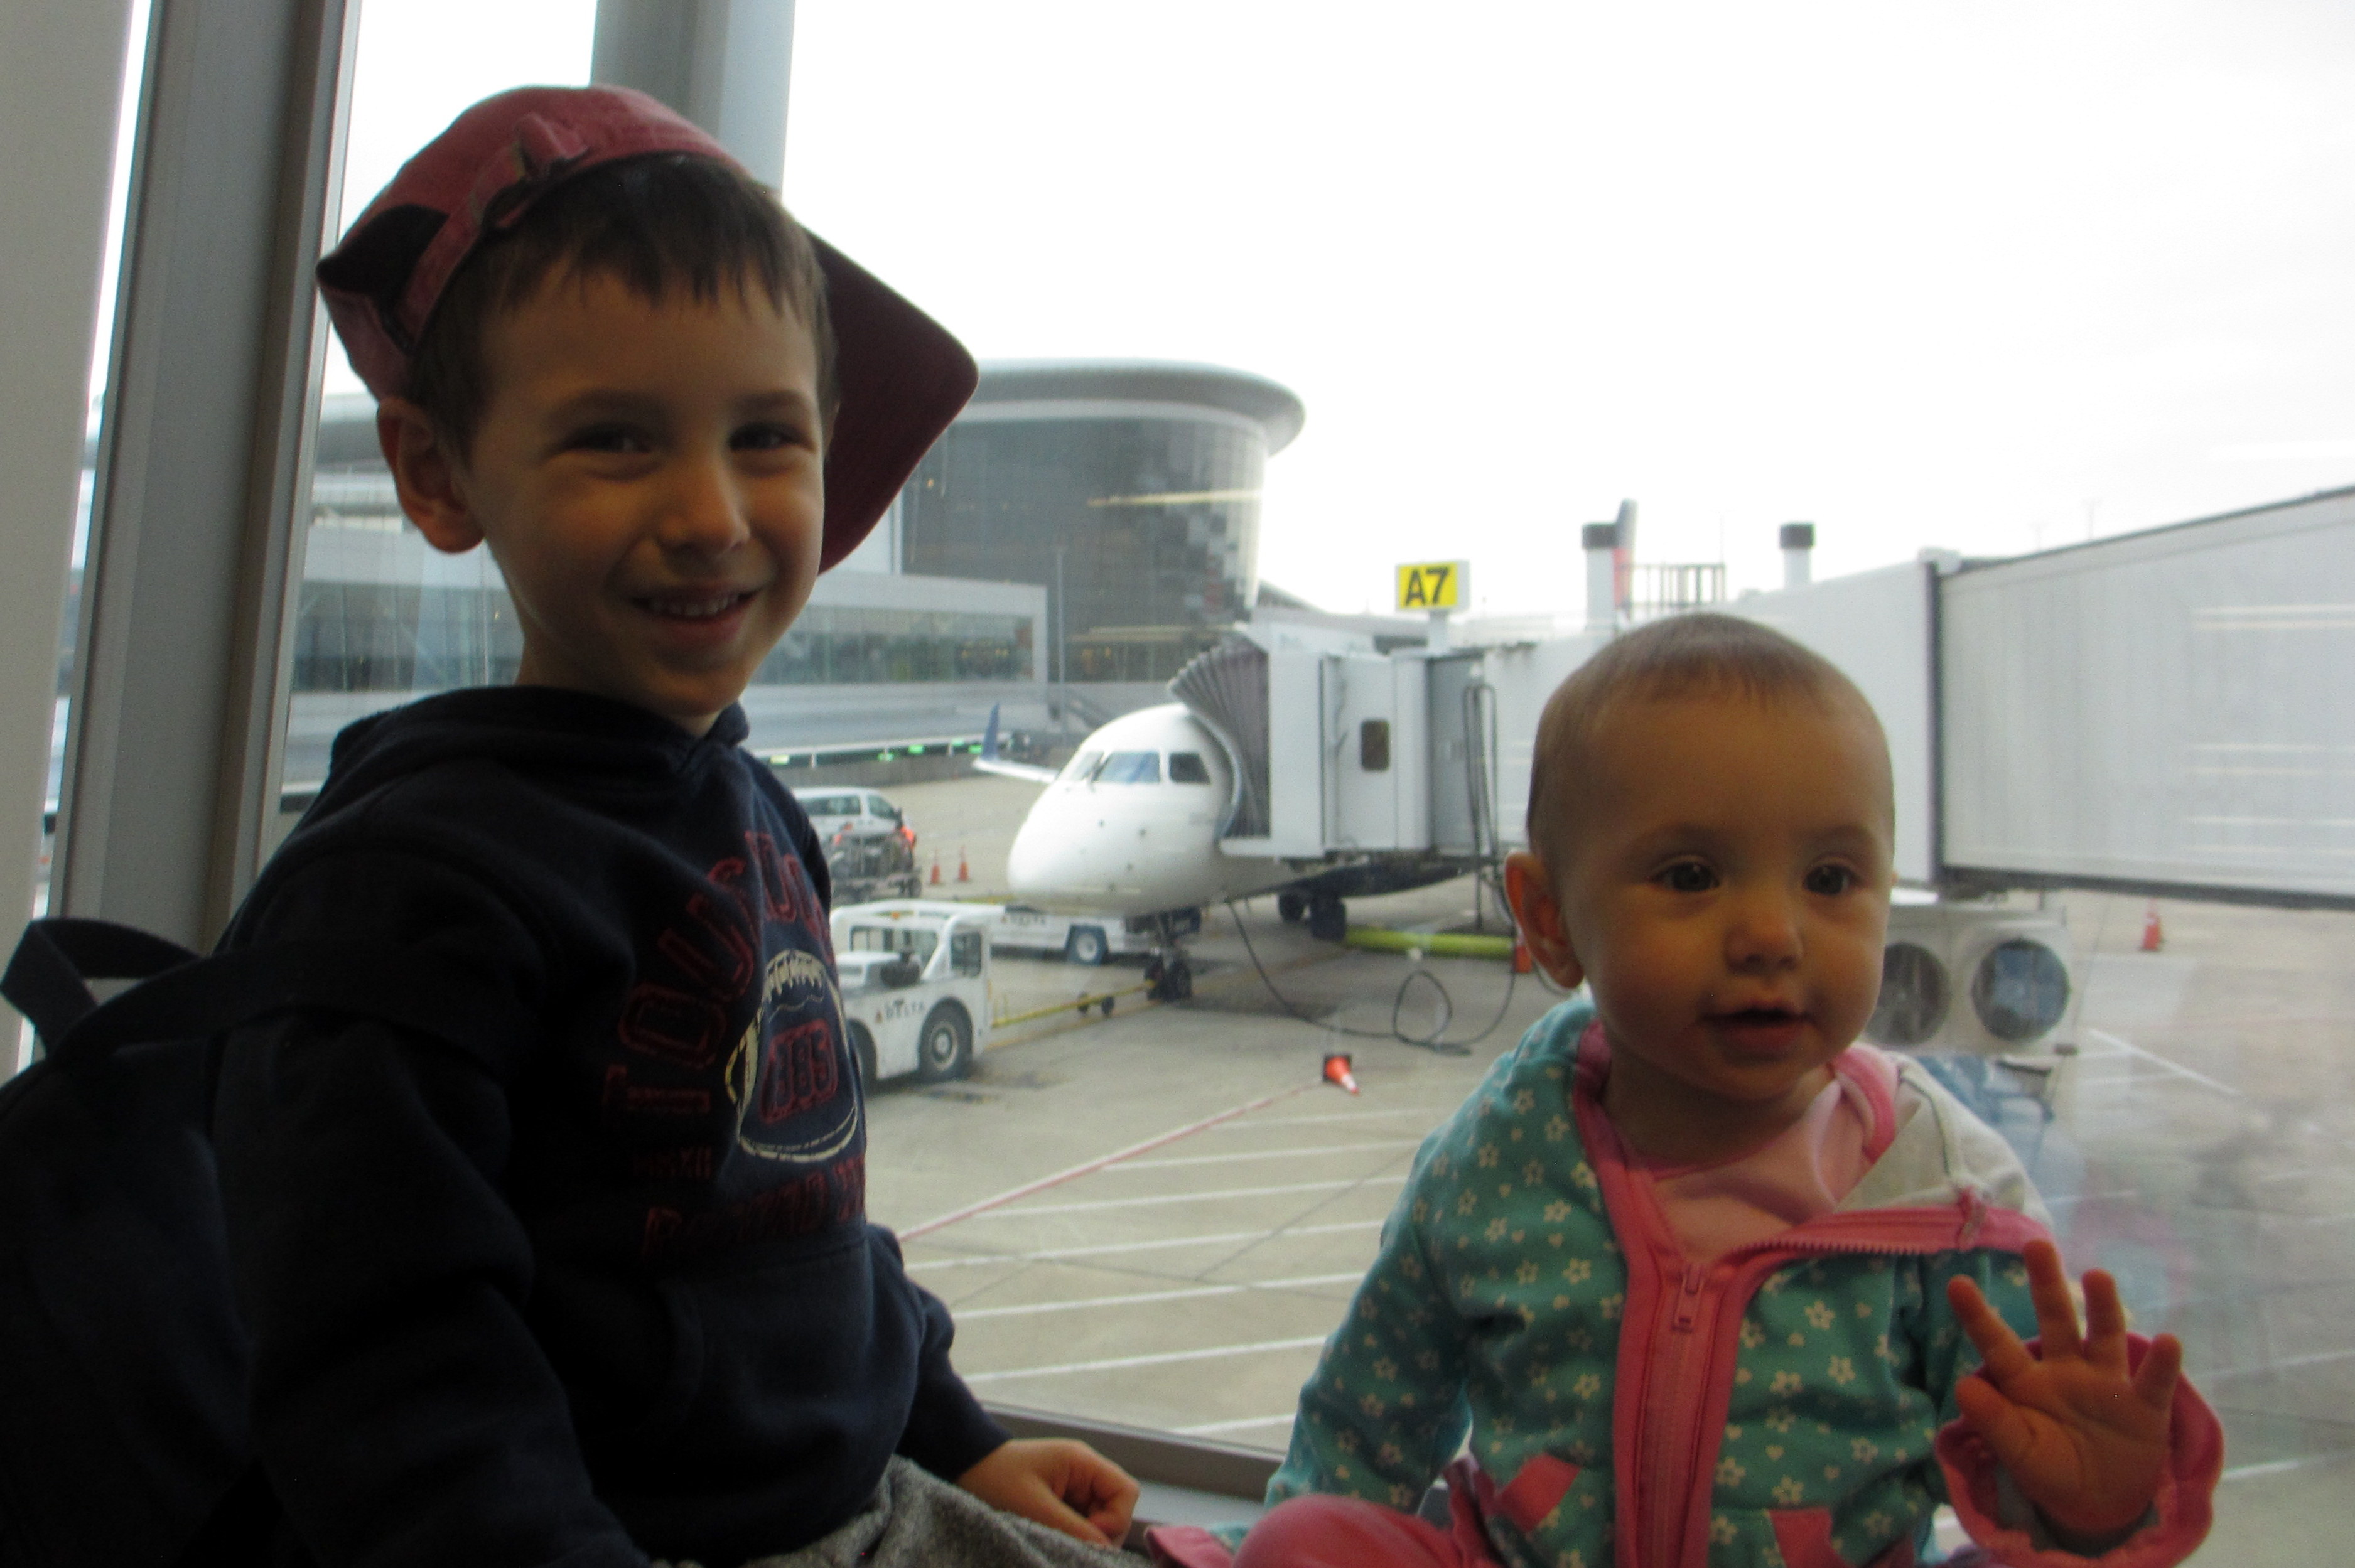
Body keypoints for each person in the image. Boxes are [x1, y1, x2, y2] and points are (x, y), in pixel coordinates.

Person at [211, 86, 1136, 1568]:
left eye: (765, 435)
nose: (711, 512)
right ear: (438, 473)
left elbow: (800, 1233)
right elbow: (390, 1376)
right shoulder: (406, 890)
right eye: (616, 440)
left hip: (857, 1505)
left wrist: (954, 1433)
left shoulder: (752, 811)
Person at [1149, 614, 2219, 1568]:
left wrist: (2095, 1505)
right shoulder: (1503, 1157)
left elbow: (2032, 1465)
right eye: (1693, 876)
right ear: (1551, 919)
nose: (1773, 933)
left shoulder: (1940, 1199)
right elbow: (1367, 1416)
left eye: (1831, 878)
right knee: (1302, 1543)